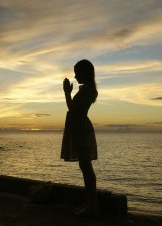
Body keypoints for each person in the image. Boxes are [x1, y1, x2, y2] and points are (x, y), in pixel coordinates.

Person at [61, 59, 99, 216]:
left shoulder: (87, 90)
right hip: (79, 128)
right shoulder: (87, 89)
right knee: (85, 167)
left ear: (85, 73)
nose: (75, 76)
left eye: (77, 72)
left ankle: (92, 205)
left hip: (81, 129)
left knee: (86, 167)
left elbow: (74, 109)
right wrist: (68, 93)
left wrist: (66, 93)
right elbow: (74, 109)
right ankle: (89, 203)